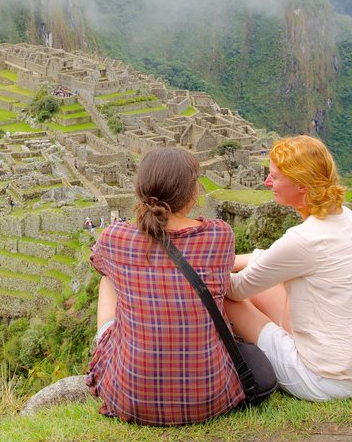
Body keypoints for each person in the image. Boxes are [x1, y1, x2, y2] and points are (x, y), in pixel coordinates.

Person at [87, 147, 245, 425]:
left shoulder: (115, 237)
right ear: (193, 193)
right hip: (211, 396)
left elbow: (99, 262)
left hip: (130, 398)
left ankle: (110, 349)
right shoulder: (220, 235)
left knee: (108, 277)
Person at [224, 135, 352, 402]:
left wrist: (199, 266)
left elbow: (236, 289)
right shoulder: (348, 218)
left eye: (275, 176)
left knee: (223, 296)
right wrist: (228, 259)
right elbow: (272, 261)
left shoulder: (304, 239)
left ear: (301, 185)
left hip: (323, 381)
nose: (267, 182)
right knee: (271, 281)